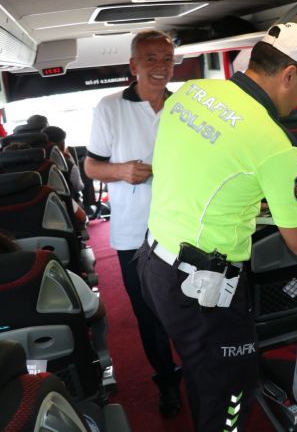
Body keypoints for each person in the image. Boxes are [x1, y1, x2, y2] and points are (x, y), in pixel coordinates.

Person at [137, 22, 297, 432]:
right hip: (202, 292)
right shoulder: (274, 144)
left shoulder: (194, 92)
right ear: (289, 74)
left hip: (155, 262)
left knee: (202, 370)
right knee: (232, 389)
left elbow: (196, 164)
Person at [83, 30, 181, 418]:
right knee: (148, 312)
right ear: (134, 65)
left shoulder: (184, 107)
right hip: (132, 235)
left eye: (168, 59)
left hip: (183, 229)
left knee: (189, 307)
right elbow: (91, 165)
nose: (161, 67)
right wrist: (122, 171)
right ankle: (167, 380)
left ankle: (197, 367)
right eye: (152, 59)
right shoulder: (109, 107)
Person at [42, 125, 85, 194]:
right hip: (66, 203)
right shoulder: (68, 165)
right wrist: (71, 162)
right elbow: (79, 187)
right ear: (62, 145)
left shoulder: (30, 160)